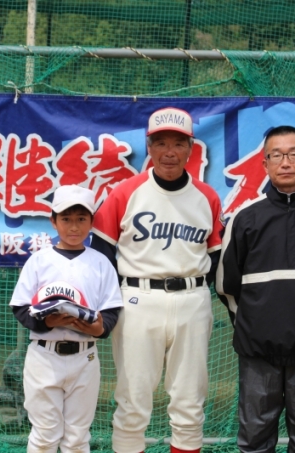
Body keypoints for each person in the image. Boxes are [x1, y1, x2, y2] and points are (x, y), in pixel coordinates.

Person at [90, 107, 224, 453]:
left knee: (190, 401)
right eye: (160, 143)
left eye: (178, 143)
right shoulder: (124, 192)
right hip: (138, 300)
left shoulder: (207, 197)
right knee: (132, 400)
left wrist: (195, 290)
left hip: (192, 300)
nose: (169, 152)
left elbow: (215, 257)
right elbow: (102, 255)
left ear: (191, 149)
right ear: (148, 147)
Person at [216, 125, 295, 453]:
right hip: (258, 353)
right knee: (255, 440)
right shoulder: (245, 219)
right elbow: (226, 286)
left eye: (294, 154)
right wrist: (253, 327)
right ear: (265, 164)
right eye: (276, 155)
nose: (285, 162)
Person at [9, 184, 123, 453]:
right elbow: (21, 307)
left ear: (91, 222)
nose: (74, 227)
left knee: (77, 438)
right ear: (53, 221)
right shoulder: (39, 260)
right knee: (45, 435)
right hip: (44, 355)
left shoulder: (101, 262)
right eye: (66, 219)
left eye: (81, 219)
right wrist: (47, 322)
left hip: (85, 357)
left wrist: (99, 328)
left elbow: (111, 310)